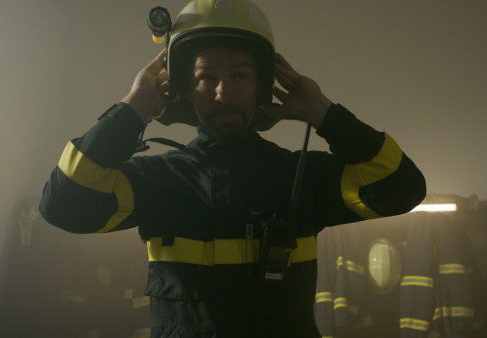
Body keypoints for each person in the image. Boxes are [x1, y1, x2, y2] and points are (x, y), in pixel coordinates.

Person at [39, 0, 426, 337]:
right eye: (207, 77)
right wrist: (131, 109)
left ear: (260, 86)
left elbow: (402, 187)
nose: (224, 92)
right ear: (185, 90)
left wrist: (325, 115)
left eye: (240, 76)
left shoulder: (302, 178)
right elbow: (63, 203)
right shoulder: (155, 181)